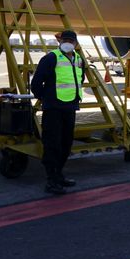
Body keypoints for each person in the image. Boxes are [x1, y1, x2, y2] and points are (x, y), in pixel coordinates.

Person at [30, 30, 85, 195]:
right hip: (53, 108)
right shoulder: (51, 58)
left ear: (75, 43)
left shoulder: (78, 59)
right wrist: (46, 98)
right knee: (52, 144)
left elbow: (80, 78)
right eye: (65, 40)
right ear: (60, 41)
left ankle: (59, 175)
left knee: (66, 144)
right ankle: (51, 181)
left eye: (71, 40)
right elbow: (36, 83)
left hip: (70, 107)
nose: (68, 42)